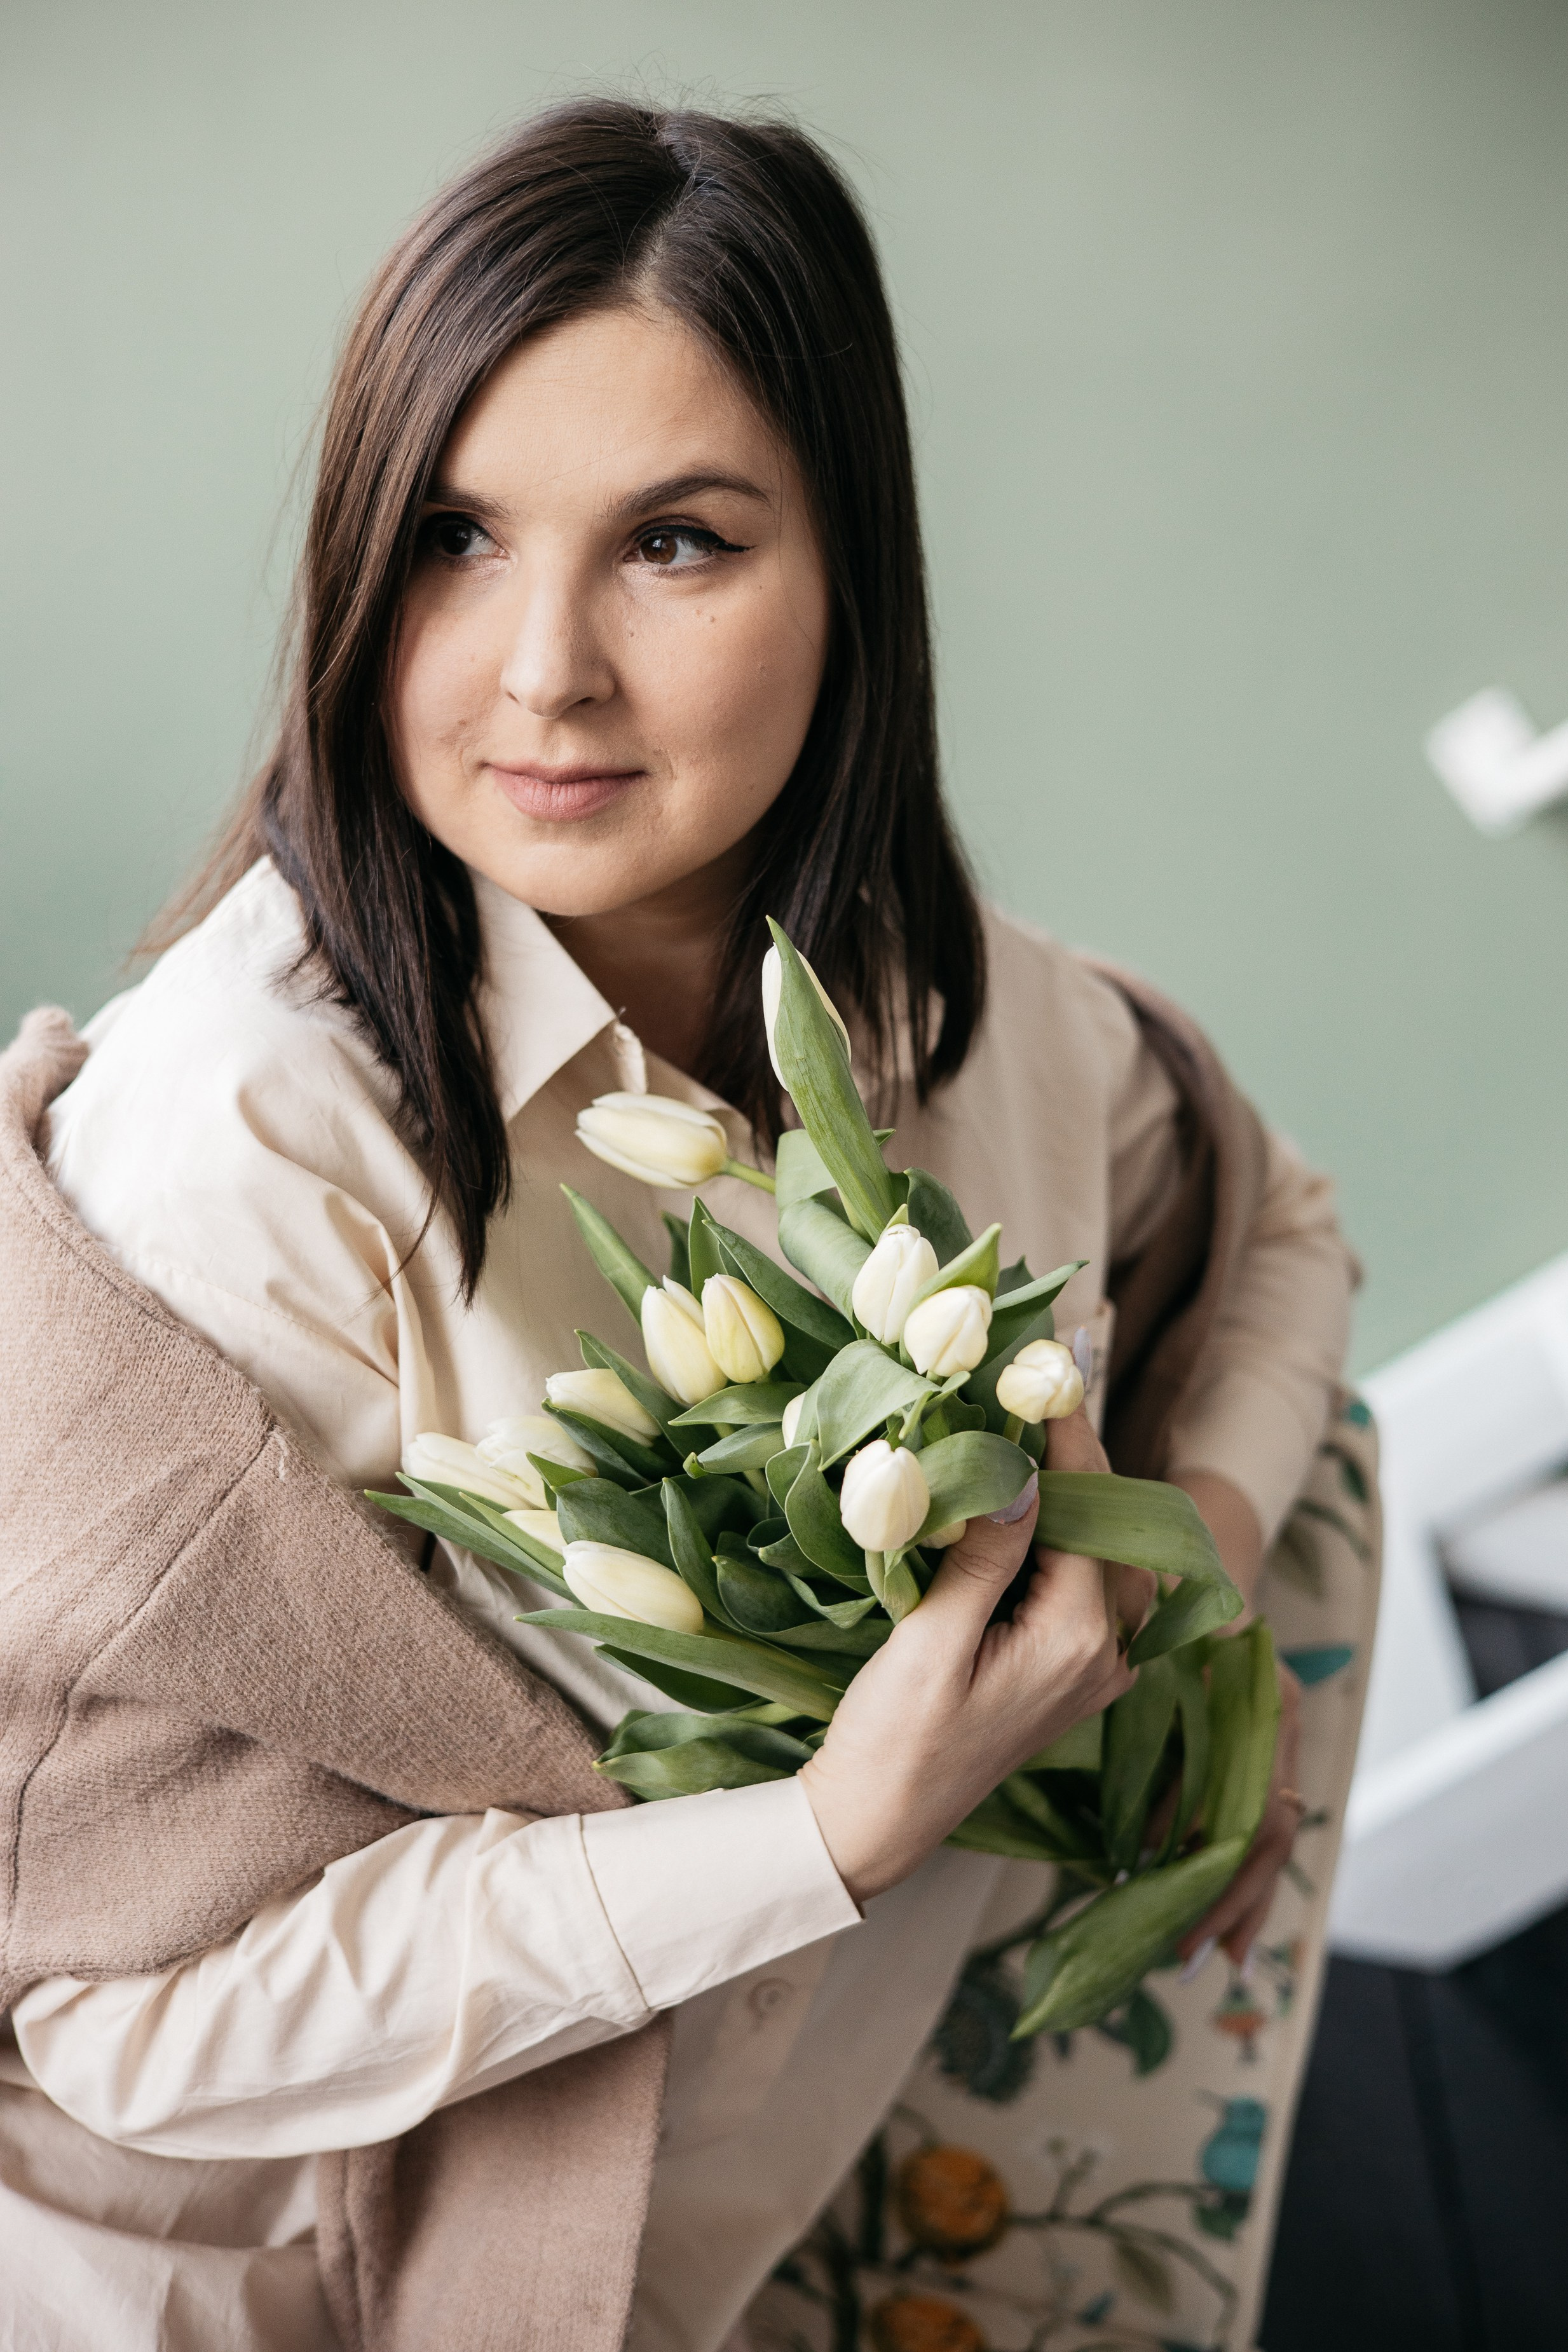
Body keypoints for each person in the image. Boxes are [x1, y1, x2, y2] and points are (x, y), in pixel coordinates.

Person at [0, 100, 1353, 2352]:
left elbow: (1274, 1220)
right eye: (451, 536)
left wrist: (1179, 1572)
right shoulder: (246, 1150)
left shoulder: (966, 1003)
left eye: (676, 543)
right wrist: (824, 1829)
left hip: (731, 2227)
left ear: (853, 575)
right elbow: (114, 2013)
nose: (542, 669)